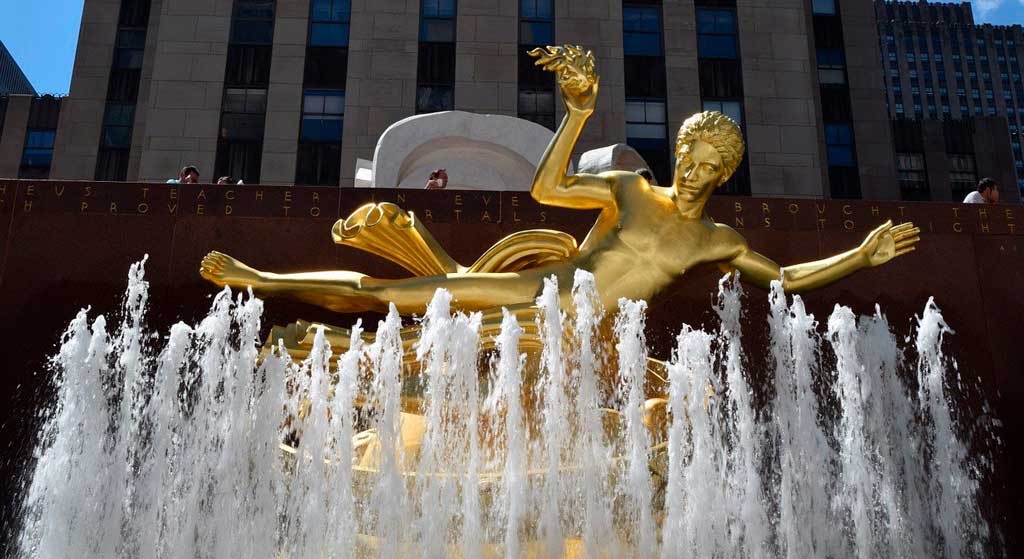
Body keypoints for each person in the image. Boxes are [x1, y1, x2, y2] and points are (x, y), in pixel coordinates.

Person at [200, 45, 919, 318]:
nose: (698, 174)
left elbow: (786, 279)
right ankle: (257, 278)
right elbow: (548, 190)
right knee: (399, 299)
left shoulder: (717, 240)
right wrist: (576, 113)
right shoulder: (634, 192)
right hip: (544, 292)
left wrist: (861, 255)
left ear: (728, 173)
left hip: (594, 335)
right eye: (691, 159)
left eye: (712, 167)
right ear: (678, 156)